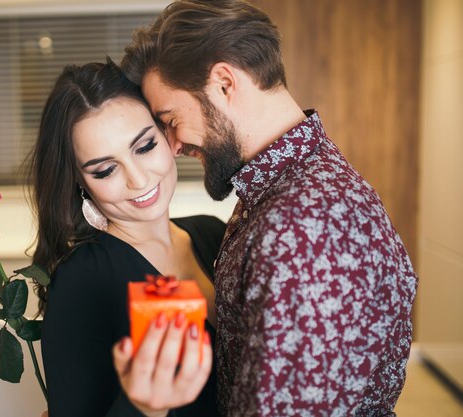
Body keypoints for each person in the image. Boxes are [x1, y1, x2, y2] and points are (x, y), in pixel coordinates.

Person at [116, 0, 419, 416]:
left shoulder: (304, 224)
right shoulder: (288, 188)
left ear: (224, 82)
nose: (173, 145)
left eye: (170, 119)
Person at [28, 59, 226, 417]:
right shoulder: (82, 279)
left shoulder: (212, 232)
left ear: (167, 134)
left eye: (144, 146)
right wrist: (143, 407)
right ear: (80, 183)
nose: (137, 179)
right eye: (105, 169)